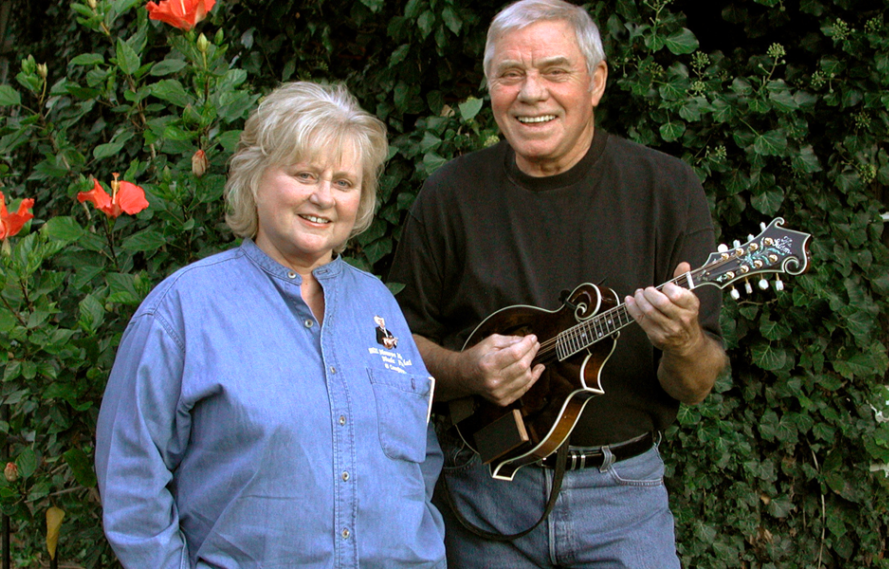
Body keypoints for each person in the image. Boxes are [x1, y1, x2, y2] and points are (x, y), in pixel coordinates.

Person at [387, 0, 729, 567]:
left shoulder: (667, 189)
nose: (531, 92)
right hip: (484, 492)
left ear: (595, 82)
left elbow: (693, 387)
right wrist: (465, 370)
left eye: (554, 71)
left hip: (624, 499)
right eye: (510, 74)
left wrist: (684, 341)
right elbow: (396, 353)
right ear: (490, 86)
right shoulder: (449, 195)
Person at [95, 81, 446, 569]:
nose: (324, 197)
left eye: (344, 182)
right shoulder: (184, 310)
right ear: (254, 178)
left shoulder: (377, 304)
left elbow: (419, 458)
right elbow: (131, 479)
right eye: (304, 174)